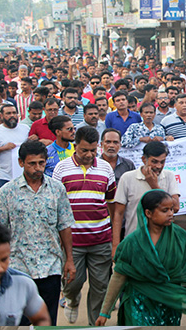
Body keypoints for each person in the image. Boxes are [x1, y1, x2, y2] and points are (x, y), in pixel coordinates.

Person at [96, 190, 186, 326]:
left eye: (172, 209)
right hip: (139, 304)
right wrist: (104, 312)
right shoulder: (132, 242)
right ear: (148, 213)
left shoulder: (180, 237)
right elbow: (119, 277)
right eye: (164, 210)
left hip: (169, 304)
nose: (171, 214)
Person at [0, 140, 75, 325]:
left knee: (47, 320)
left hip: (50, 266)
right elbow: (0, 232)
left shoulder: (57, 189)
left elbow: (64, 225)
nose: (37, 168)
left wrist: (69, 260)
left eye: (41, 162)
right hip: (18, 267)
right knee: (19, 320)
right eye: (32, 163)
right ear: (21, 162)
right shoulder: (7, 192)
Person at [52, 126, 117, 325]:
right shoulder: (61, 168)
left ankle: (94, 324)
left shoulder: (106, 168)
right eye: (84, 150)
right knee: (72, 282)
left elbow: (111, 203)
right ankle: (71, 299)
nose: (89, 155)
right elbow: (56, 206)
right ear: (75, 147)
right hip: (72, 241)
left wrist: (113, 236)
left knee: (101, 286)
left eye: (92, 150)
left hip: (100, 238)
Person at [113, 141, 180, 253]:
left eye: (162, 162)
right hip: (134, 242)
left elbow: (176, 207)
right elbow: (118, 214)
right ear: (144, 159)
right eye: (154, 162)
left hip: (163, 244)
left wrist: (154, 185)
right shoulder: (127, 178)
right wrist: (115, 245)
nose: (158, 166)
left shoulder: (168, 176)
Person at [0, 104, 31, 190]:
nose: (12, 116)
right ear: (1, 115)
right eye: (8, 113)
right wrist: (3, 148)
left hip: (24, 175)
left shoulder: (25, 129)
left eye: (14, 113)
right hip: (4, 176)